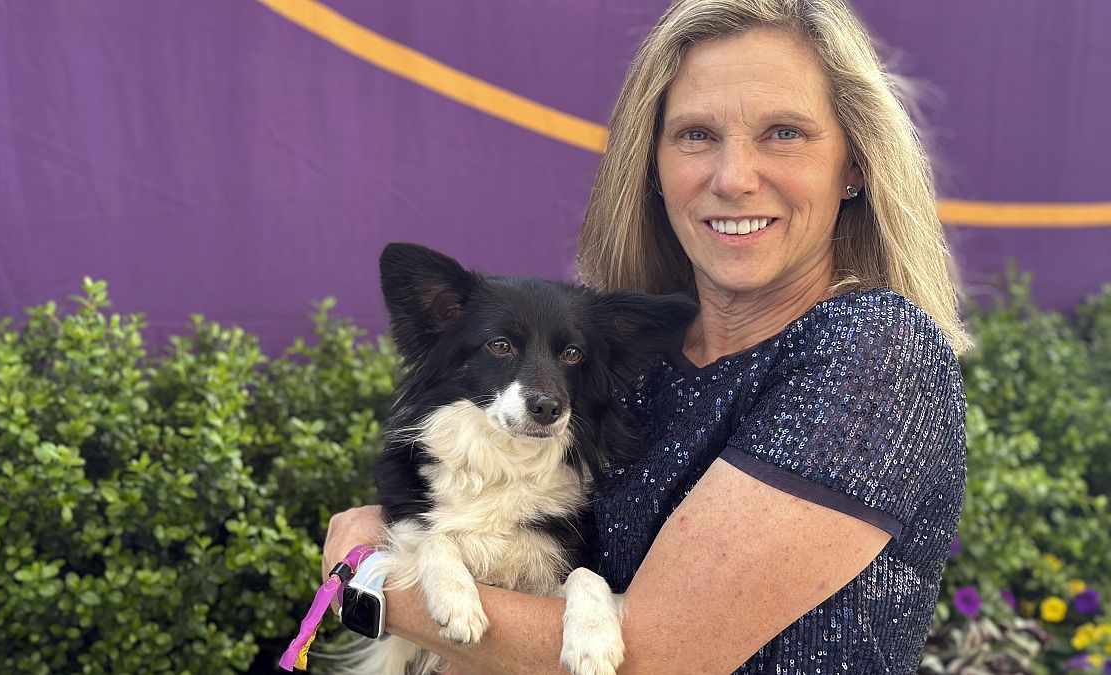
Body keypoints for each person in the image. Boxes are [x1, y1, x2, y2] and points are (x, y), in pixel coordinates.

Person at [322, 0, 970, 672]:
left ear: (854, 164)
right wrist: (421, 532)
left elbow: (657, 656)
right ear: (653, 166)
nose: (733, 177)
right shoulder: (631, 367)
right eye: (696, 135)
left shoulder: (875, 351)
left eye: (784, 132)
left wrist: (369, 576)